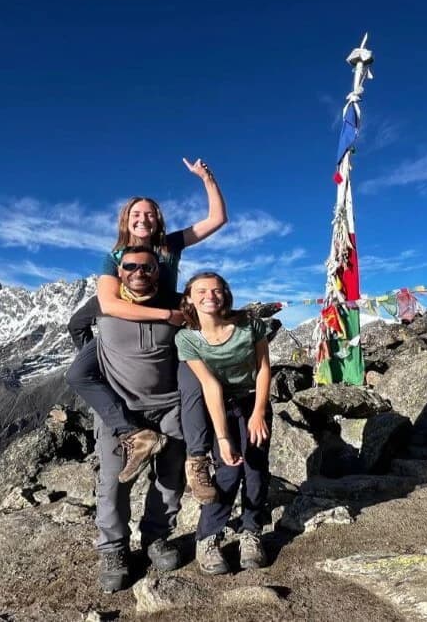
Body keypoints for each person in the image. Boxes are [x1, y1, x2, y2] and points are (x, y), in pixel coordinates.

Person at [66, 158, 227, 500]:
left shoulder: (169, 245)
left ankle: (196, 459)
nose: (143, 219)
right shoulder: (114, 256)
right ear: (126, 220)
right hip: (125, 317)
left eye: (150, 214)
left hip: (163, 317)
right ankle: (130, 430)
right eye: (136, 214)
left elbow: (217, 219)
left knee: (191, 381)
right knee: (79, 371)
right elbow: (108, 304)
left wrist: (206, 178)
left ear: (158, 220)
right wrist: (165, 316)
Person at [85, 246, 187, 593]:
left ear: (158, 271)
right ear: (120, 271)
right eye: (130, 266)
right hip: (122, 410)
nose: (139, 272)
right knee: (114, 483)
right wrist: (94, 363)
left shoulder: (176, 304)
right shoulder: (104, 303)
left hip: (170, 406)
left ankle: (156, 537)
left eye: (147, 267)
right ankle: (114, 550)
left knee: (170, 476)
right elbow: (76, 327)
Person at [176, 271, 273, 574]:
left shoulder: (250, 325)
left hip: (252, 401)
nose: (210, 296)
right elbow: (210, 386)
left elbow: (263, 369)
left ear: (226, 294)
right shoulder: (187, 338)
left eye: (217, 291)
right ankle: (207, 537)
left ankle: (251, 532)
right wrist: (222, 438)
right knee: (229, 472)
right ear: (189, 297)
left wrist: (258, 412)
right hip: (220, 408)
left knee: (256, 469)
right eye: (201, 291)